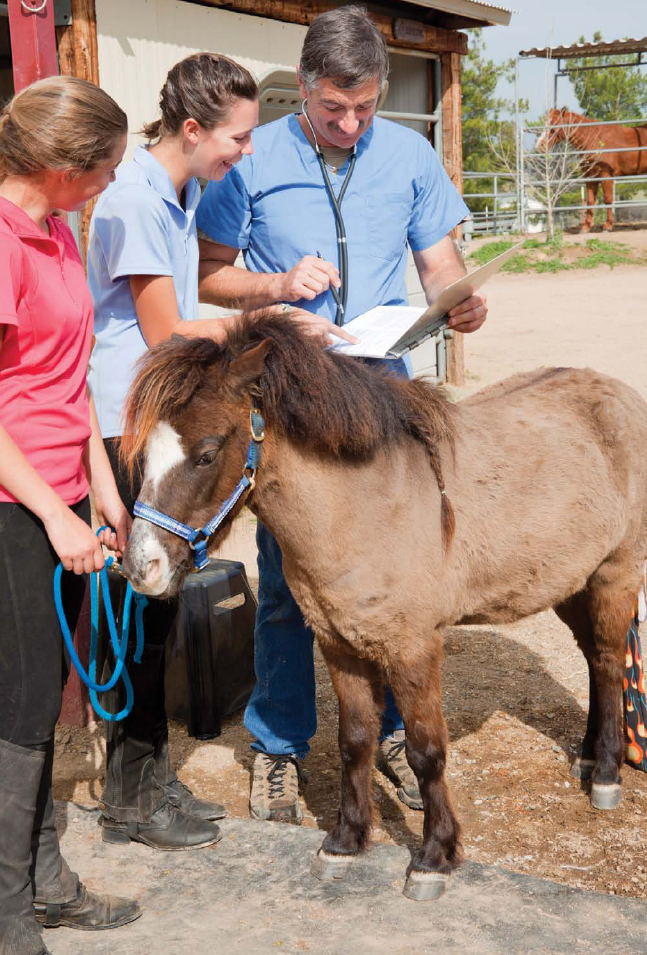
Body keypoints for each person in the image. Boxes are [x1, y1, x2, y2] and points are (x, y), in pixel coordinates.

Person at [196, 5, 488, 824]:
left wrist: (458, 304)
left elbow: (438, 263)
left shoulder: (409, 153)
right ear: (305, 91)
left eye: (365, 108)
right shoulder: (252, 161)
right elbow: (210, 273)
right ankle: (280, 746)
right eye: (333, 109)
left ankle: (395, 730)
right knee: (295, 586)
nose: (351, 124)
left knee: (396, 582)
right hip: (288, 402)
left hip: (382, 395)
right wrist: (276, 289)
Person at [86, 53, 338, 852]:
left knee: (159, 613)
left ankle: (148, 777)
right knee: (141, 615)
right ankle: (131, 795)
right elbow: (163, 333)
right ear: (190, 130)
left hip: (159, 415)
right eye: (236, 136)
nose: (245, 151)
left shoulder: (180, 189)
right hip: (127, 425)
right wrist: (275, 328)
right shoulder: (132, 199)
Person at [0, 77, 141, 953]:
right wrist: (54, 517)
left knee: (49, 690)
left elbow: (66, 383)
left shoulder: (59, 230)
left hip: (59, 489)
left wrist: (98, 483)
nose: (107, 182)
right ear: (61, 167)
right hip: (3, 502)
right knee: (25, 692)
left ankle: (44, 878)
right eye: (101, 168)